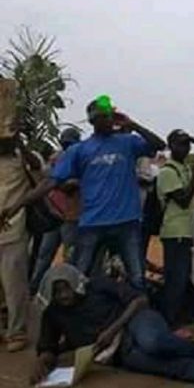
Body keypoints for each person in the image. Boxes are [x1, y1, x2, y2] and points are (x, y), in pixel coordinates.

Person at [1, 100, 166, 291]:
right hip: (92, 224)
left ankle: (139, 317)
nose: (109, 119)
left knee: (137, 278)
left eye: (110, 115)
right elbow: (50, 183)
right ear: (93, 121)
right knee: (79, 278)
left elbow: (159, 144)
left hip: (126, 222)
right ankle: (83, 317)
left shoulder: (127, 142)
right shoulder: (79, 150)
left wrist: (132, 124)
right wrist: (16, 206)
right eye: (104, 116)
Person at [32, 264, 194, 388]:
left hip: (135, 320)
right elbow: (48, 346)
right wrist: (42, 364)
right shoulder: (53, 313)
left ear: (75, 283)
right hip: (119, 351)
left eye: (66, 289)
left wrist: (113, 329)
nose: (63, 296)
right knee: (171, 366)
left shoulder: (97, 285)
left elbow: (139, 299)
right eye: (58, 293)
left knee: (155, 343)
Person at [157, 130, 194, 337]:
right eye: (181, 144)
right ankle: (171, 322)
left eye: (187, 144)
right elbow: (183, 199)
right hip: (174, 231)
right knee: (176, 278)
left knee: (188, 276)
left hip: (185, 231)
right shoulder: (168, 172)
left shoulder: (182, 168)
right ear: (171, 146)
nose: (185, 149)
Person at [29, 128, 82, 295]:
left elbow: (64, 184)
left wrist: (59, 182)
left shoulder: (78, 158)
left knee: (67, 256)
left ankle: (66, 291)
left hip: (71, 215)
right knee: (46, 255)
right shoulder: (57, 158)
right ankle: (35, 288)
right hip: (57, 214)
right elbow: (56, 182)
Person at [0, 134, 33, 352]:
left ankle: (16, 332)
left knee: (14, 286)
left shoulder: (24, 159)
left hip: (13, 230)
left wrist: (22, 146)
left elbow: (42, 175)